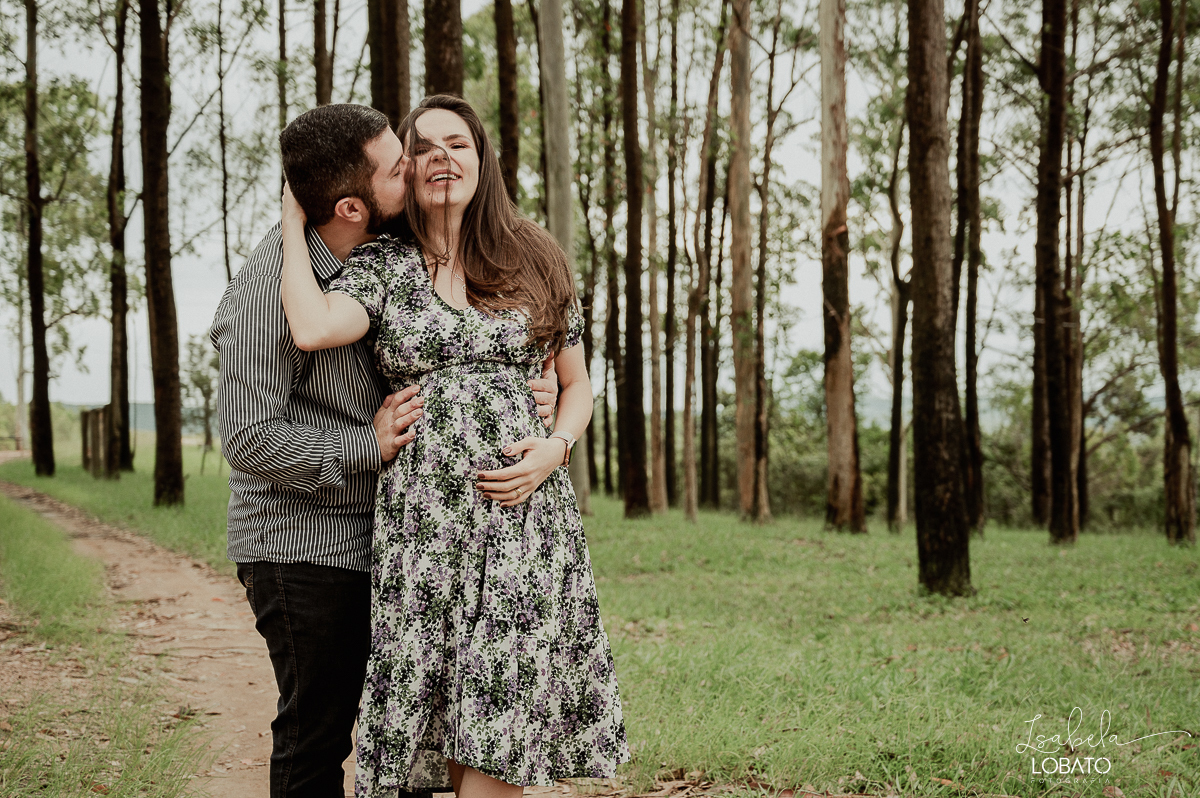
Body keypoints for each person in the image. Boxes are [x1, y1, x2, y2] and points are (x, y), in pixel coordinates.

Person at [278, 94, 629, 798]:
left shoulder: (535, 256)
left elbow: (578, 381)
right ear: (408, 170)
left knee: (497, 738)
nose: (443, 156)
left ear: (481, 161)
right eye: (426, 146)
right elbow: (313, 328)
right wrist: (293, 214)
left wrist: (557, 446)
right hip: (423, 535)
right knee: (435, 717)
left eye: (458, 143)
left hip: (521, 526)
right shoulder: (384, 263)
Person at [211, 103, 559, 798]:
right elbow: (248, 440)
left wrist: (530, 395)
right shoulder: (263, 292)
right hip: (302, 546)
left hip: (397, 538)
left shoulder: (381, 260)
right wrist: (366, 445)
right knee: (317, 737)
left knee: (408, 730)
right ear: (351, 205)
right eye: (400, 166)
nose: (420, 167)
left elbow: (448, 339)